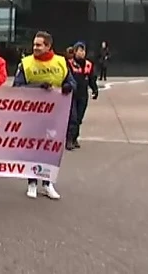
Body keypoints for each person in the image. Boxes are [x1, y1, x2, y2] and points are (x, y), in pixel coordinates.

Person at [13, 30, 75, 200]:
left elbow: (71, 82)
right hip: (33, 114)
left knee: (50, 150)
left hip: (55, 116)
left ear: (48, 46)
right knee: (33, 148)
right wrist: (38, 87)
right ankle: (32, 182)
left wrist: (69, 86)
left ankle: (47, 183)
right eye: (34, 44)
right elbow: (17, 87)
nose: (35, 47)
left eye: (39, 45)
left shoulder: (61, 62)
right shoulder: (26, 64)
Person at [69, 42, 98, 149]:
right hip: (72, 95)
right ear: (75, 52)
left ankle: (75, 137)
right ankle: (69, 139)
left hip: (83, 95)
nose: (82, 53)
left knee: (79, 118)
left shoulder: (89, 65)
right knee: (73, 118)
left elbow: (91, 79)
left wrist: (95, 89)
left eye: (83, 50)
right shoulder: (69, 64)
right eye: (80, 50)